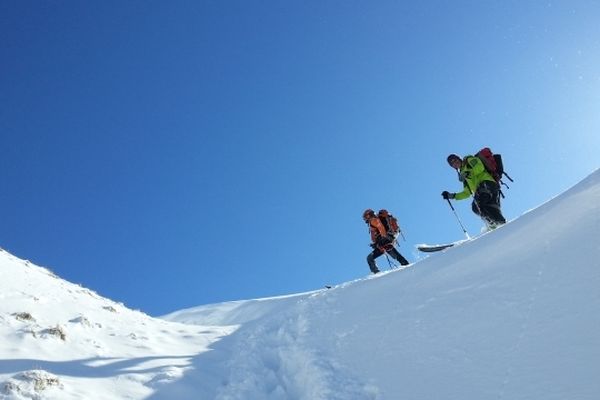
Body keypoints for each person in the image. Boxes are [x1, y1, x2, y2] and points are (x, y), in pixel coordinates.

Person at [442, 153, 506, 229]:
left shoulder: (469, 160)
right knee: (488, 209)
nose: (454, 163)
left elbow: (480, 167)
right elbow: (467, 193)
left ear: (459, 158)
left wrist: (468, 173)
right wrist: (452, 196)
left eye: (455, 160)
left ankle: (493, 225)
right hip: (485, 190)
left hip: (487, 183)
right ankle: (503, 228)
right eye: (452, 163)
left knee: (478, 205)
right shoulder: (463, 176)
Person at [363, 209, 409, 274]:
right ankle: (406, 265)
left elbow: (381, 228)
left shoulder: (373, 220)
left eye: (365, 217)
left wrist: (380, 241)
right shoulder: (379, 219)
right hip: (387, 240)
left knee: (370, 258)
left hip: (385, 241)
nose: (365, 220)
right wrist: (377, 243)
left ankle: (377, 274)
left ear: (368, 216)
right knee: (395, 254)